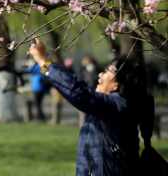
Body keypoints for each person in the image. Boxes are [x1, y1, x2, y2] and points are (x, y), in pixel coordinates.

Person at [28, 39, 153, 176]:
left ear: (117, 84)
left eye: (106, 71)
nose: (100, 74)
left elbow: (78, 91)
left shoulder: (118, 106)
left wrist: (44, 62)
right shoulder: (111, 106)